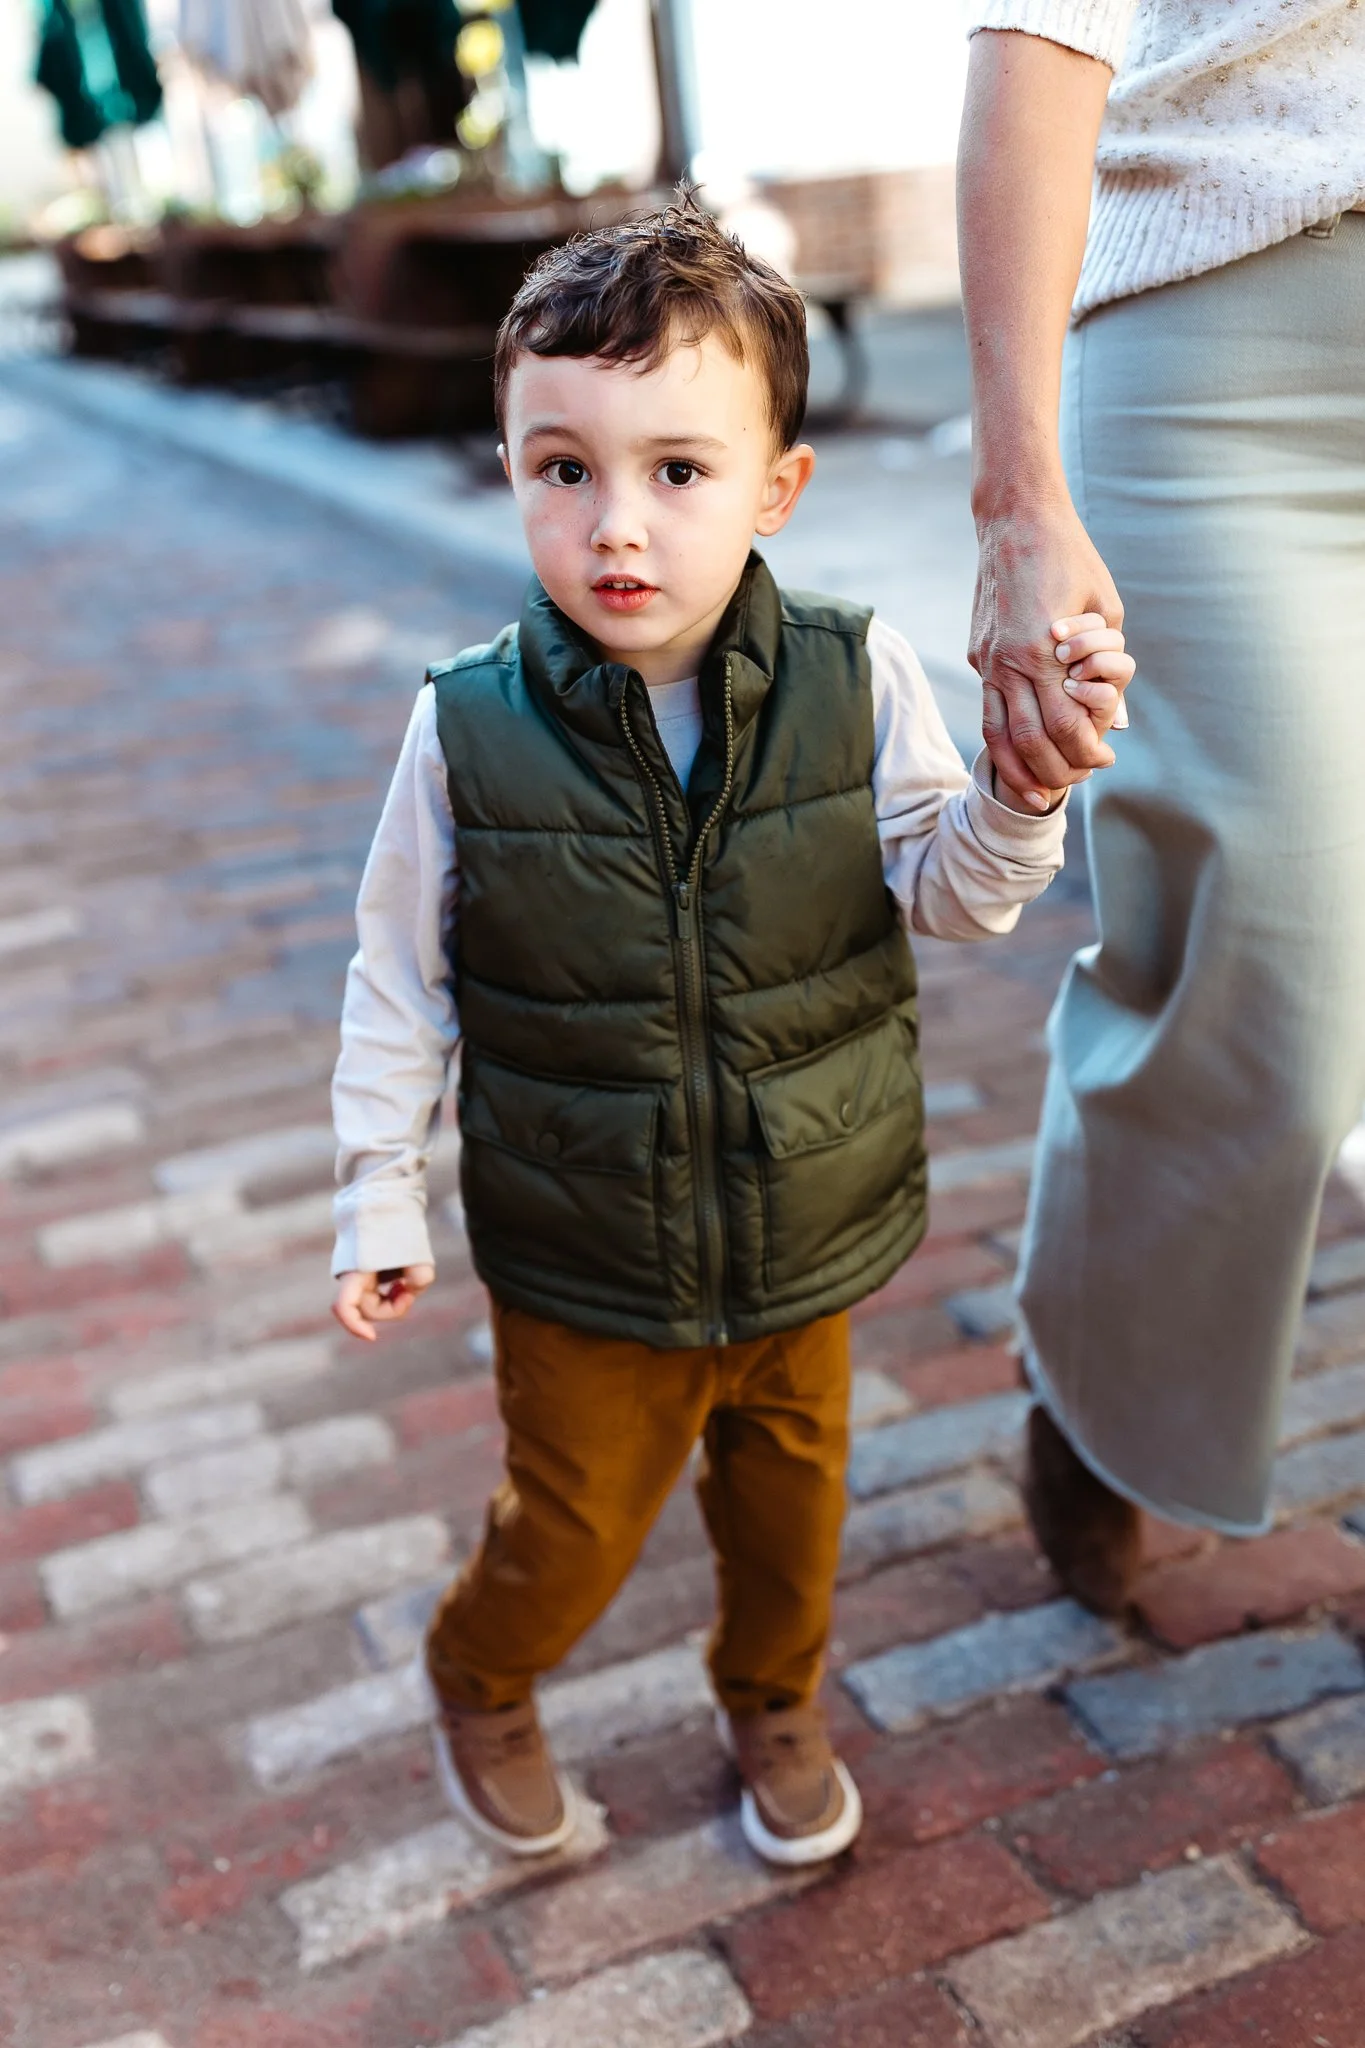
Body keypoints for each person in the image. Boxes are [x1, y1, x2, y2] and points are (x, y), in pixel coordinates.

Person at [328, 195, 1129, 1866]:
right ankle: (482, 1672)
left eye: (676, 472)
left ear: (778, 487)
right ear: (511, 467)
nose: (617, 524)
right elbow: (396, 979)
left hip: (798, 1223)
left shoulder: (858, 676)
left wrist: (1025, 798)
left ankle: (774, 1695)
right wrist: (376, 1192)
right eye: (566, 469)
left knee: (792, 1514)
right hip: (585, 1249)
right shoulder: (465, 729)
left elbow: (955, 891)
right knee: (575, 1525)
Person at [958, 5, 1365, 1611]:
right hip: (1222, 359)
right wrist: (1017, 499)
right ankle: (1099, 1380)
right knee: (1271, 971)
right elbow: (1036, 42)